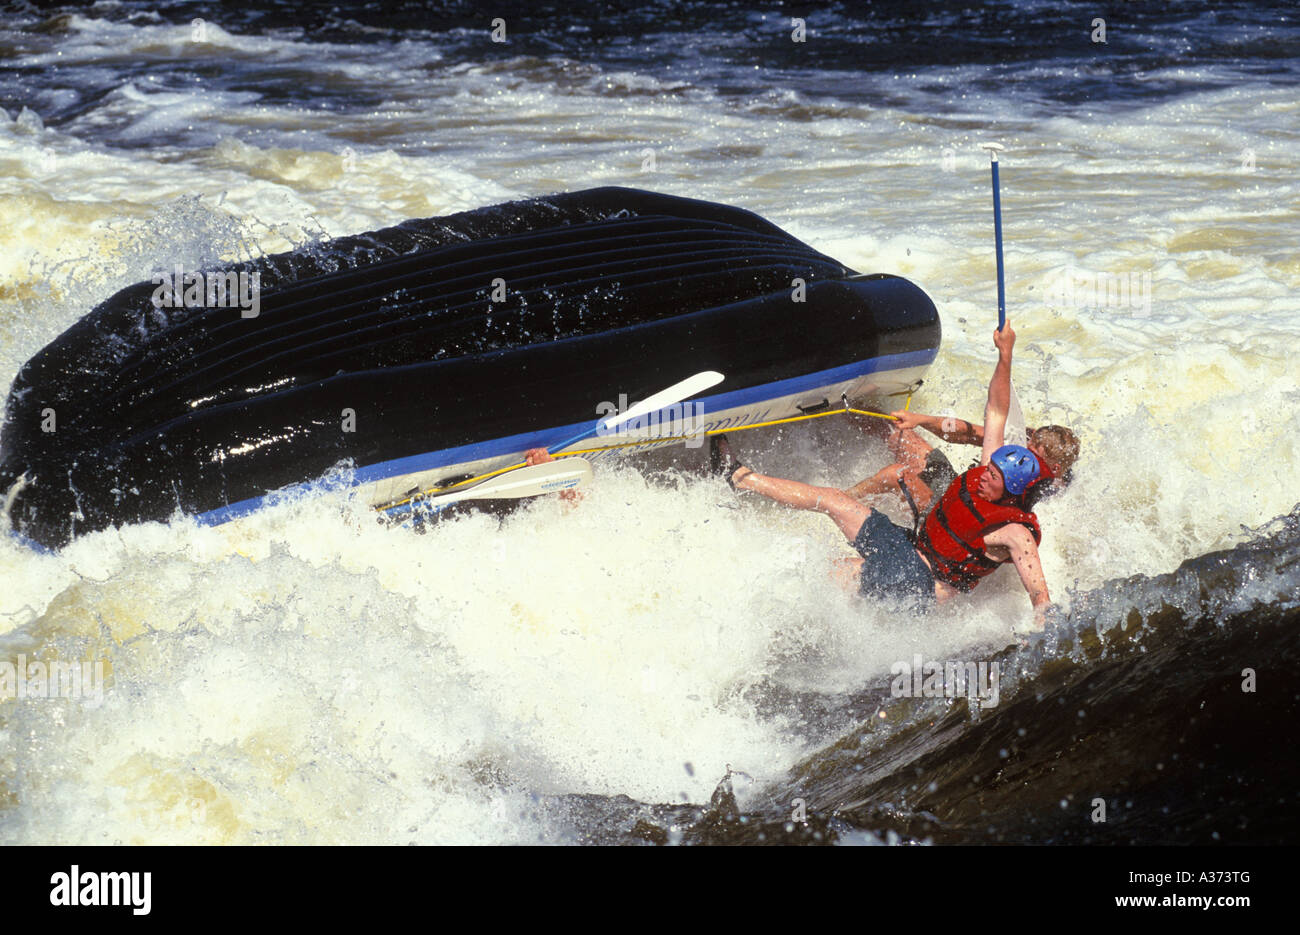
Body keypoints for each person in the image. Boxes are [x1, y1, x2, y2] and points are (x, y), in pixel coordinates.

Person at [709, 324, 1053, 627]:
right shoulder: (990, 469)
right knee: (833, 499)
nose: (982, 477)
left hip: (918, 583)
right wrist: (1005, 353)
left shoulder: (1014, 533)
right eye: (987, 468)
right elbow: (996, 410)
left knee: (833, 574)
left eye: (992, 478)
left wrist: (1044, 621)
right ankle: (740, 478)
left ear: (1011, 490)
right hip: (910, 545)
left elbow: (1039, 592)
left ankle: (754, 618)